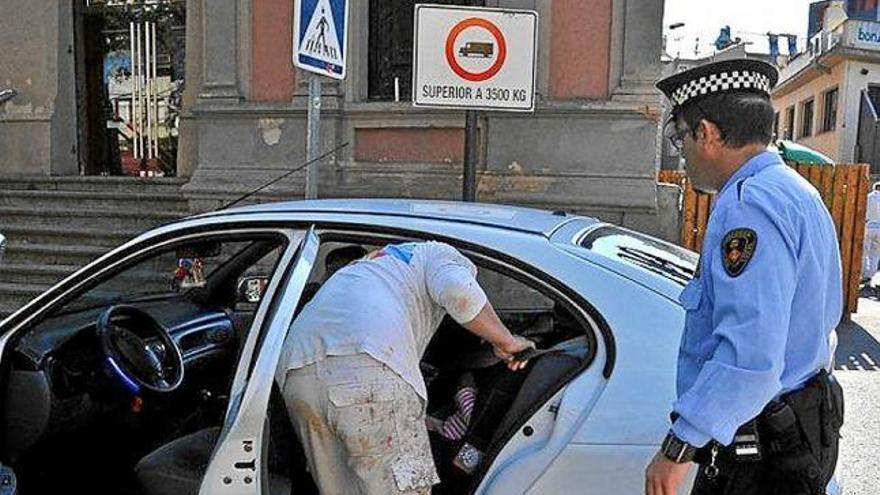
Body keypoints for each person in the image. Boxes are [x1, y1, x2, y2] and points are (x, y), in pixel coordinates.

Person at [646, 59, 845, 495]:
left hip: (762, 450)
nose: (684, 157)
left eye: (682, 139)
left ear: (707, 133)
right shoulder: (794, 191)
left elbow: (750, 358)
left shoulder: (748, 206)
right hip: (798, 429)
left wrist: (678, 448)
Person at [275, 241, 534, 495]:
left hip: (297, 376)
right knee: (409, 486)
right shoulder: (439, 254)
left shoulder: (371, 267)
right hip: (366, 374)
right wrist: (506, 341)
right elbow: (459, 291)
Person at [862, 181, 880, 286]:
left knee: (865, 252)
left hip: (868, 227)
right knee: (876, 253)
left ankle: (865, 274)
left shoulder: (868, 197)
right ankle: (871, 274)